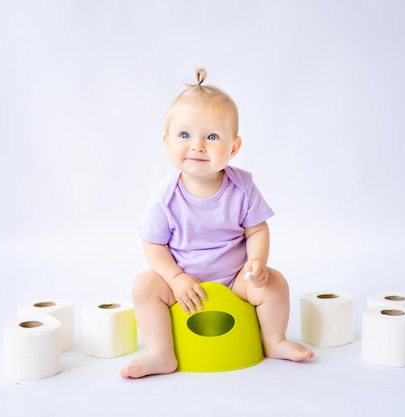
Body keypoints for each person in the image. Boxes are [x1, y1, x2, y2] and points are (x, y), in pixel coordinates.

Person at [120, 69, 313, 378]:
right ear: (166, 140)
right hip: (182, 283)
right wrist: (176, 278)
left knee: (275, 283)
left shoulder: (242, 187)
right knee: (144, 286)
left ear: (233, 148)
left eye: (212, 137)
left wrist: (257, 263)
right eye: (184, 135)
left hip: (235, 280)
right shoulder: (164, 196)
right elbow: (153, 244)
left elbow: (257, 229)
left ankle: (274, 340)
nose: (197, 145)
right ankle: (160, 352)